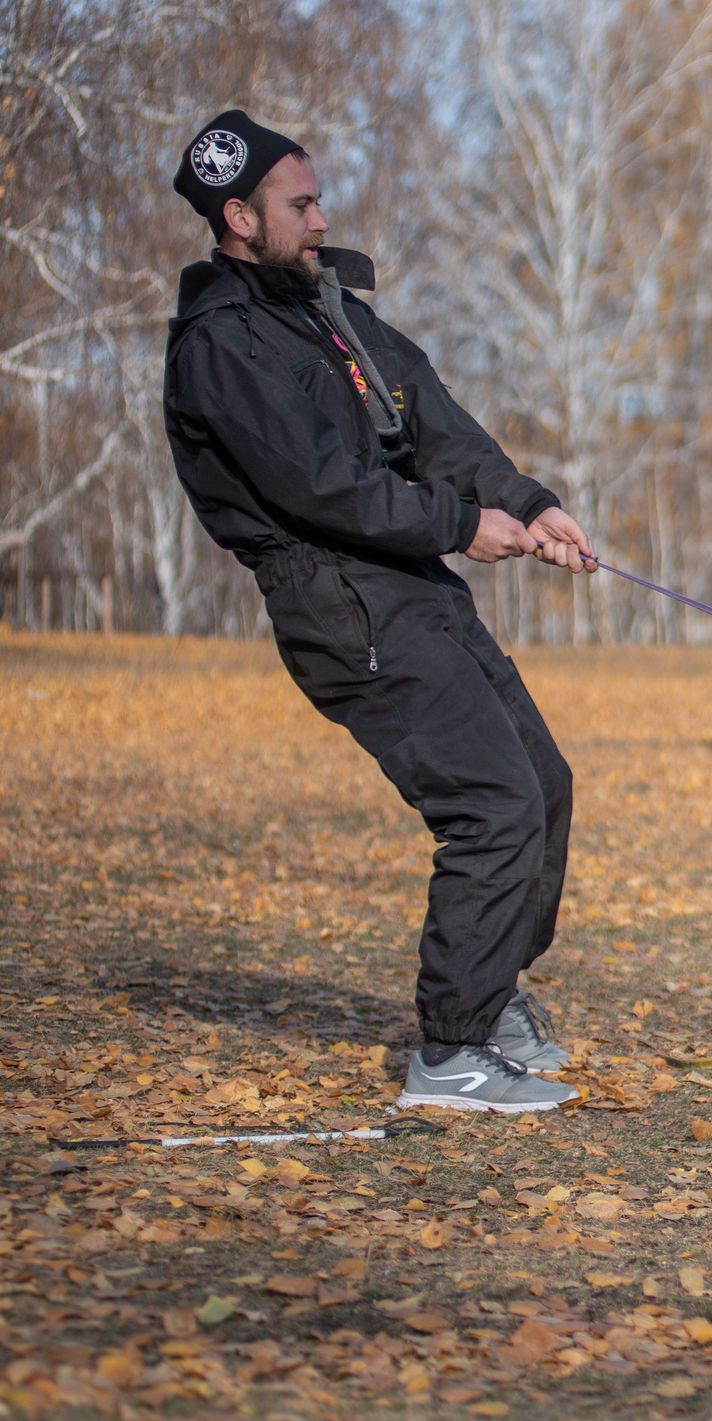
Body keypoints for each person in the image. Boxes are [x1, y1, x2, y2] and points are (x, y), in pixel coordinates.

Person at [162, 109, 592, 1114]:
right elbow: (321, 487)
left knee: (541, 783)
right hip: (337, 597)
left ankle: (489, 993)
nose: (320, 220)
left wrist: (527, 501)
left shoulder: (334, 310)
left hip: (411, 581)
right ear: (238, 217)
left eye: (319, 200)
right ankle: (451, 1053)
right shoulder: (221, 346)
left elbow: (436, 424)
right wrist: (461, 522)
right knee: (490, 803)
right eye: (300, 204)